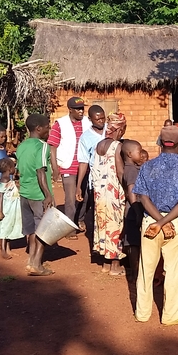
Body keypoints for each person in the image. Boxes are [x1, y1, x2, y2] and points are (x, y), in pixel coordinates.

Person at [133, 125, 178, 325]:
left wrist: (157, 222)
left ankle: (142, 314)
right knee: (174, 271)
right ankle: (171, 316)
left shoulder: (147, 167)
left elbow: (142, 198)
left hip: (150, 222)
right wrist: (165, 222)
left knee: (146, 270)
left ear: (160, 143)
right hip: (175, 222)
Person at [18, 114, 56, 276]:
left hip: (24, 193)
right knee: (43, 229)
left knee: (31, 229)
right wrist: (47, 194)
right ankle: (36, 265)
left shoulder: (21, 146)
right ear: (39, 129)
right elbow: (40, 171)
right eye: (48, 127)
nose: (49, 130)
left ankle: (31, 260)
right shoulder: (43, 146)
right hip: (38, 193)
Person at [48, 96, 91, 235]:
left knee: (86, 196)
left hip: (86, 167)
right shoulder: (60, 124)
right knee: (71, 199)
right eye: (77, 109)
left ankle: (80, 219)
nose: (81, 111)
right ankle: (69, 228)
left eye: (82, 108)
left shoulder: (88, 123)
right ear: (70, 110)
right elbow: (52, 147)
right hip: (68, 166)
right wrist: (55, 168)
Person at [91, 112, 128, 276]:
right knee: (115, 226)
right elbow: (120, 172)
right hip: (114, 193)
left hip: (100, 193)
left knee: (102, 224)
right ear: (120, 129)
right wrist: (127, 190)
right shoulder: (117, 146)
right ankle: (115, 265)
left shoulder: (98, 145)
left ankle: (105, 263)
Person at [74, 105, 106, 236]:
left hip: (114, 178)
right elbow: (83, 162)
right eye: (98, 119)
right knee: (97, 211)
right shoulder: (85, 137)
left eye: (103, 118)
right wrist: (79, 186)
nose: (102, 122)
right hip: (97, 180)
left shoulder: (111, 130)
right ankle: (98, 241)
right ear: (90, 119)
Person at [120, 139, 146, 260]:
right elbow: (131, 191)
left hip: (133, 209)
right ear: (130, 154)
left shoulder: (131, 168)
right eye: (139, 152)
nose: (141, 154)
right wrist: (137, 211)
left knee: (135, 240)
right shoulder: (131, 170)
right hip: (133, 210)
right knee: (134, 242)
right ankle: (135, 272)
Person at [0, 157, 24, 260]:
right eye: (13, 166)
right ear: (9, 168)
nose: (14, 168)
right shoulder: (4, 179)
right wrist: (1, 211)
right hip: (6, 207)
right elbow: (0, 195)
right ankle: (2, 250)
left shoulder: (8, 178)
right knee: (4, 228)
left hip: (11, 206)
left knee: (9, 226)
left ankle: (8, 249)